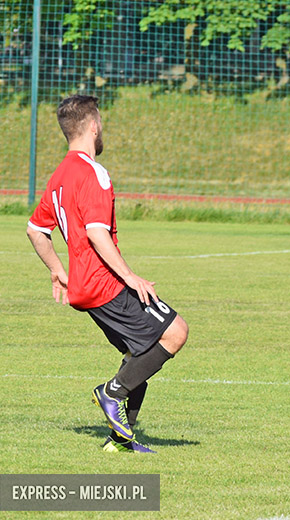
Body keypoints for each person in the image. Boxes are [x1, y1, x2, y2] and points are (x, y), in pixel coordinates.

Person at [26, 94, 189, 451]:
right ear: (94, 126)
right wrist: (130, 276)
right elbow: (97, 232)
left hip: (82, 289)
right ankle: (110, 393)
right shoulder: (92, 172)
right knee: (175, 333)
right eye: (102, 124)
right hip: (105, 284)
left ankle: (120, 439)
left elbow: (35, 230)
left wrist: (58, 271)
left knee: (138, 353)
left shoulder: (59, 177)